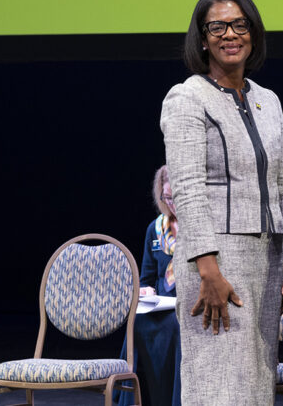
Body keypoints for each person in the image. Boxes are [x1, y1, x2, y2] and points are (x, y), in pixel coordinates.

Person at [160, 0, 283, 405]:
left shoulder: (268, 101)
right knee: (217, 384)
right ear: (202, 38)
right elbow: (186, 188)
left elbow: (282, 183)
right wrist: (208, 268)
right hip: (216, 262)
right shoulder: (188, 96)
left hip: (267, 259)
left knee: (255, 385)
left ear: (253, 33)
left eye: (239, 24)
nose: (230, 34)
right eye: (217, 26)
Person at [116, 165, 182, 406]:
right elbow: (146, 277)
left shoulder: (198, 231)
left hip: (187, 309)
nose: (173, 204)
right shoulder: (155, 230)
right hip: (162, 305)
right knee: (137, 322)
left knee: (176, 326)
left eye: (177, 198)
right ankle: (132, 398)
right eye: (168, 198)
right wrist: (145, 290)